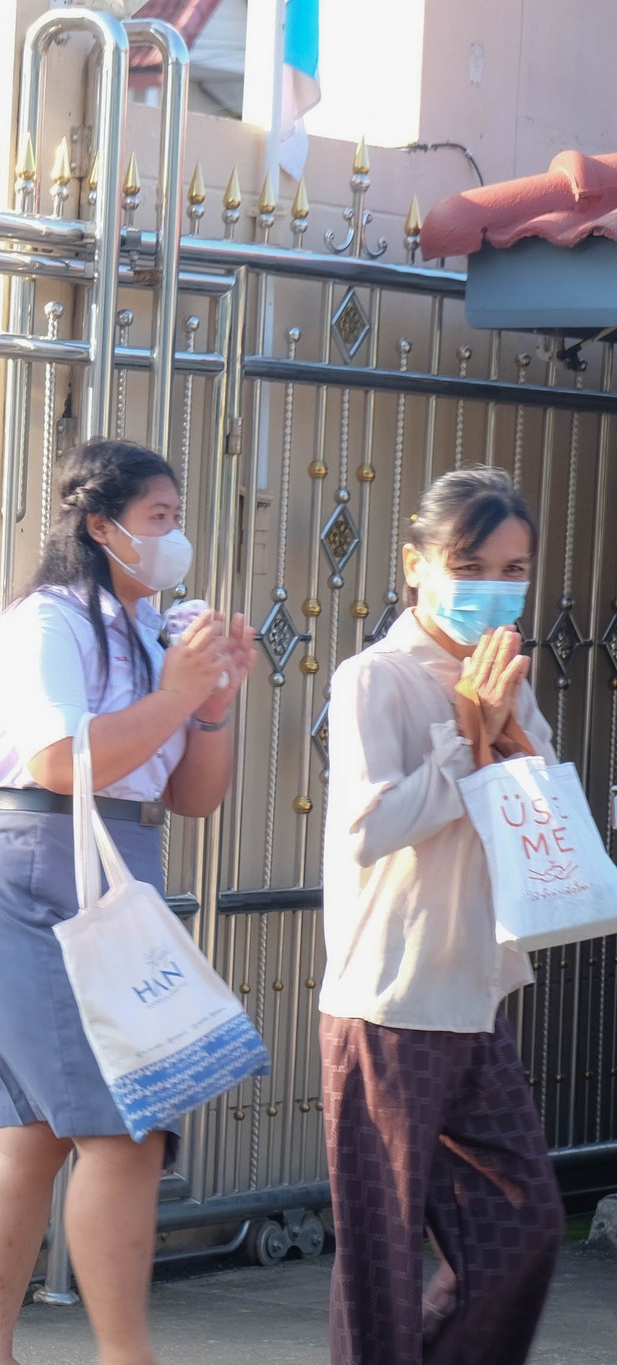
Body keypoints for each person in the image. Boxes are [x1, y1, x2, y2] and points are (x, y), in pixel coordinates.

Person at [0, 439, 256, 1365]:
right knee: (123, 1129)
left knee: (36, 1134)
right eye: (159, 518)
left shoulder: (153, 626)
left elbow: (191, 795)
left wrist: (211, 701)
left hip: (119, 861)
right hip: (35, 869)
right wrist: (177, 690)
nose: (175, 537)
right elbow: (60, 761)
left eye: (176, 518)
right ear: (101, 527)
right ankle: (120, 1356)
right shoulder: (47, 623)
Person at [320, 467, 564, 1365]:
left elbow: (539, 816)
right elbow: (367, 829)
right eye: (472, 562)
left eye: (516, 566)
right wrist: (465, 738)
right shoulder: (372, 678)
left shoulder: (502, 673)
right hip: (388, 999)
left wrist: (504, 730)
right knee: (380, 1259)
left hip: (478, 991)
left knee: (526, 1222)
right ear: (415, 564)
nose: (496, 586)